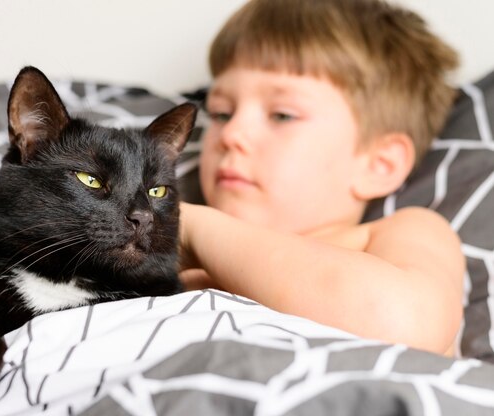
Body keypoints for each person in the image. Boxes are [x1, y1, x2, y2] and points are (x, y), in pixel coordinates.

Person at [177, 0, 464, 356]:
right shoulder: (175, 263)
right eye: (220, 113)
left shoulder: (401, 234)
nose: (231, 133)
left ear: (379, 164)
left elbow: (404, 323)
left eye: (282, 115)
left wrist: (193, 226)